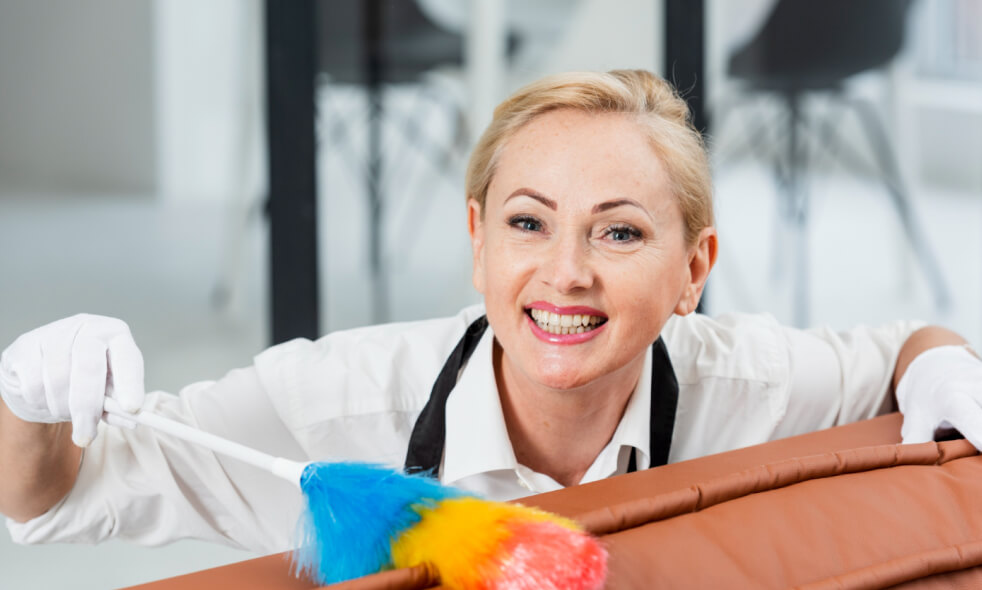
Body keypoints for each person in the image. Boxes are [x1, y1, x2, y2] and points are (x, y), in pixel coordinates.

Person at [2, 69, 981, 557]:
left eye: (619, 232)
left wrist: (947, 369)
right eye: (527, 223)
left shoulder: (748, 382)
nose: (565, 274)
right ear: (477, 241)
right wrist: (27, 398)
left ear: (695, 270)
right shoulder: (334, 402)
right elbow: (48, 499)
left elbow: (906, 348)